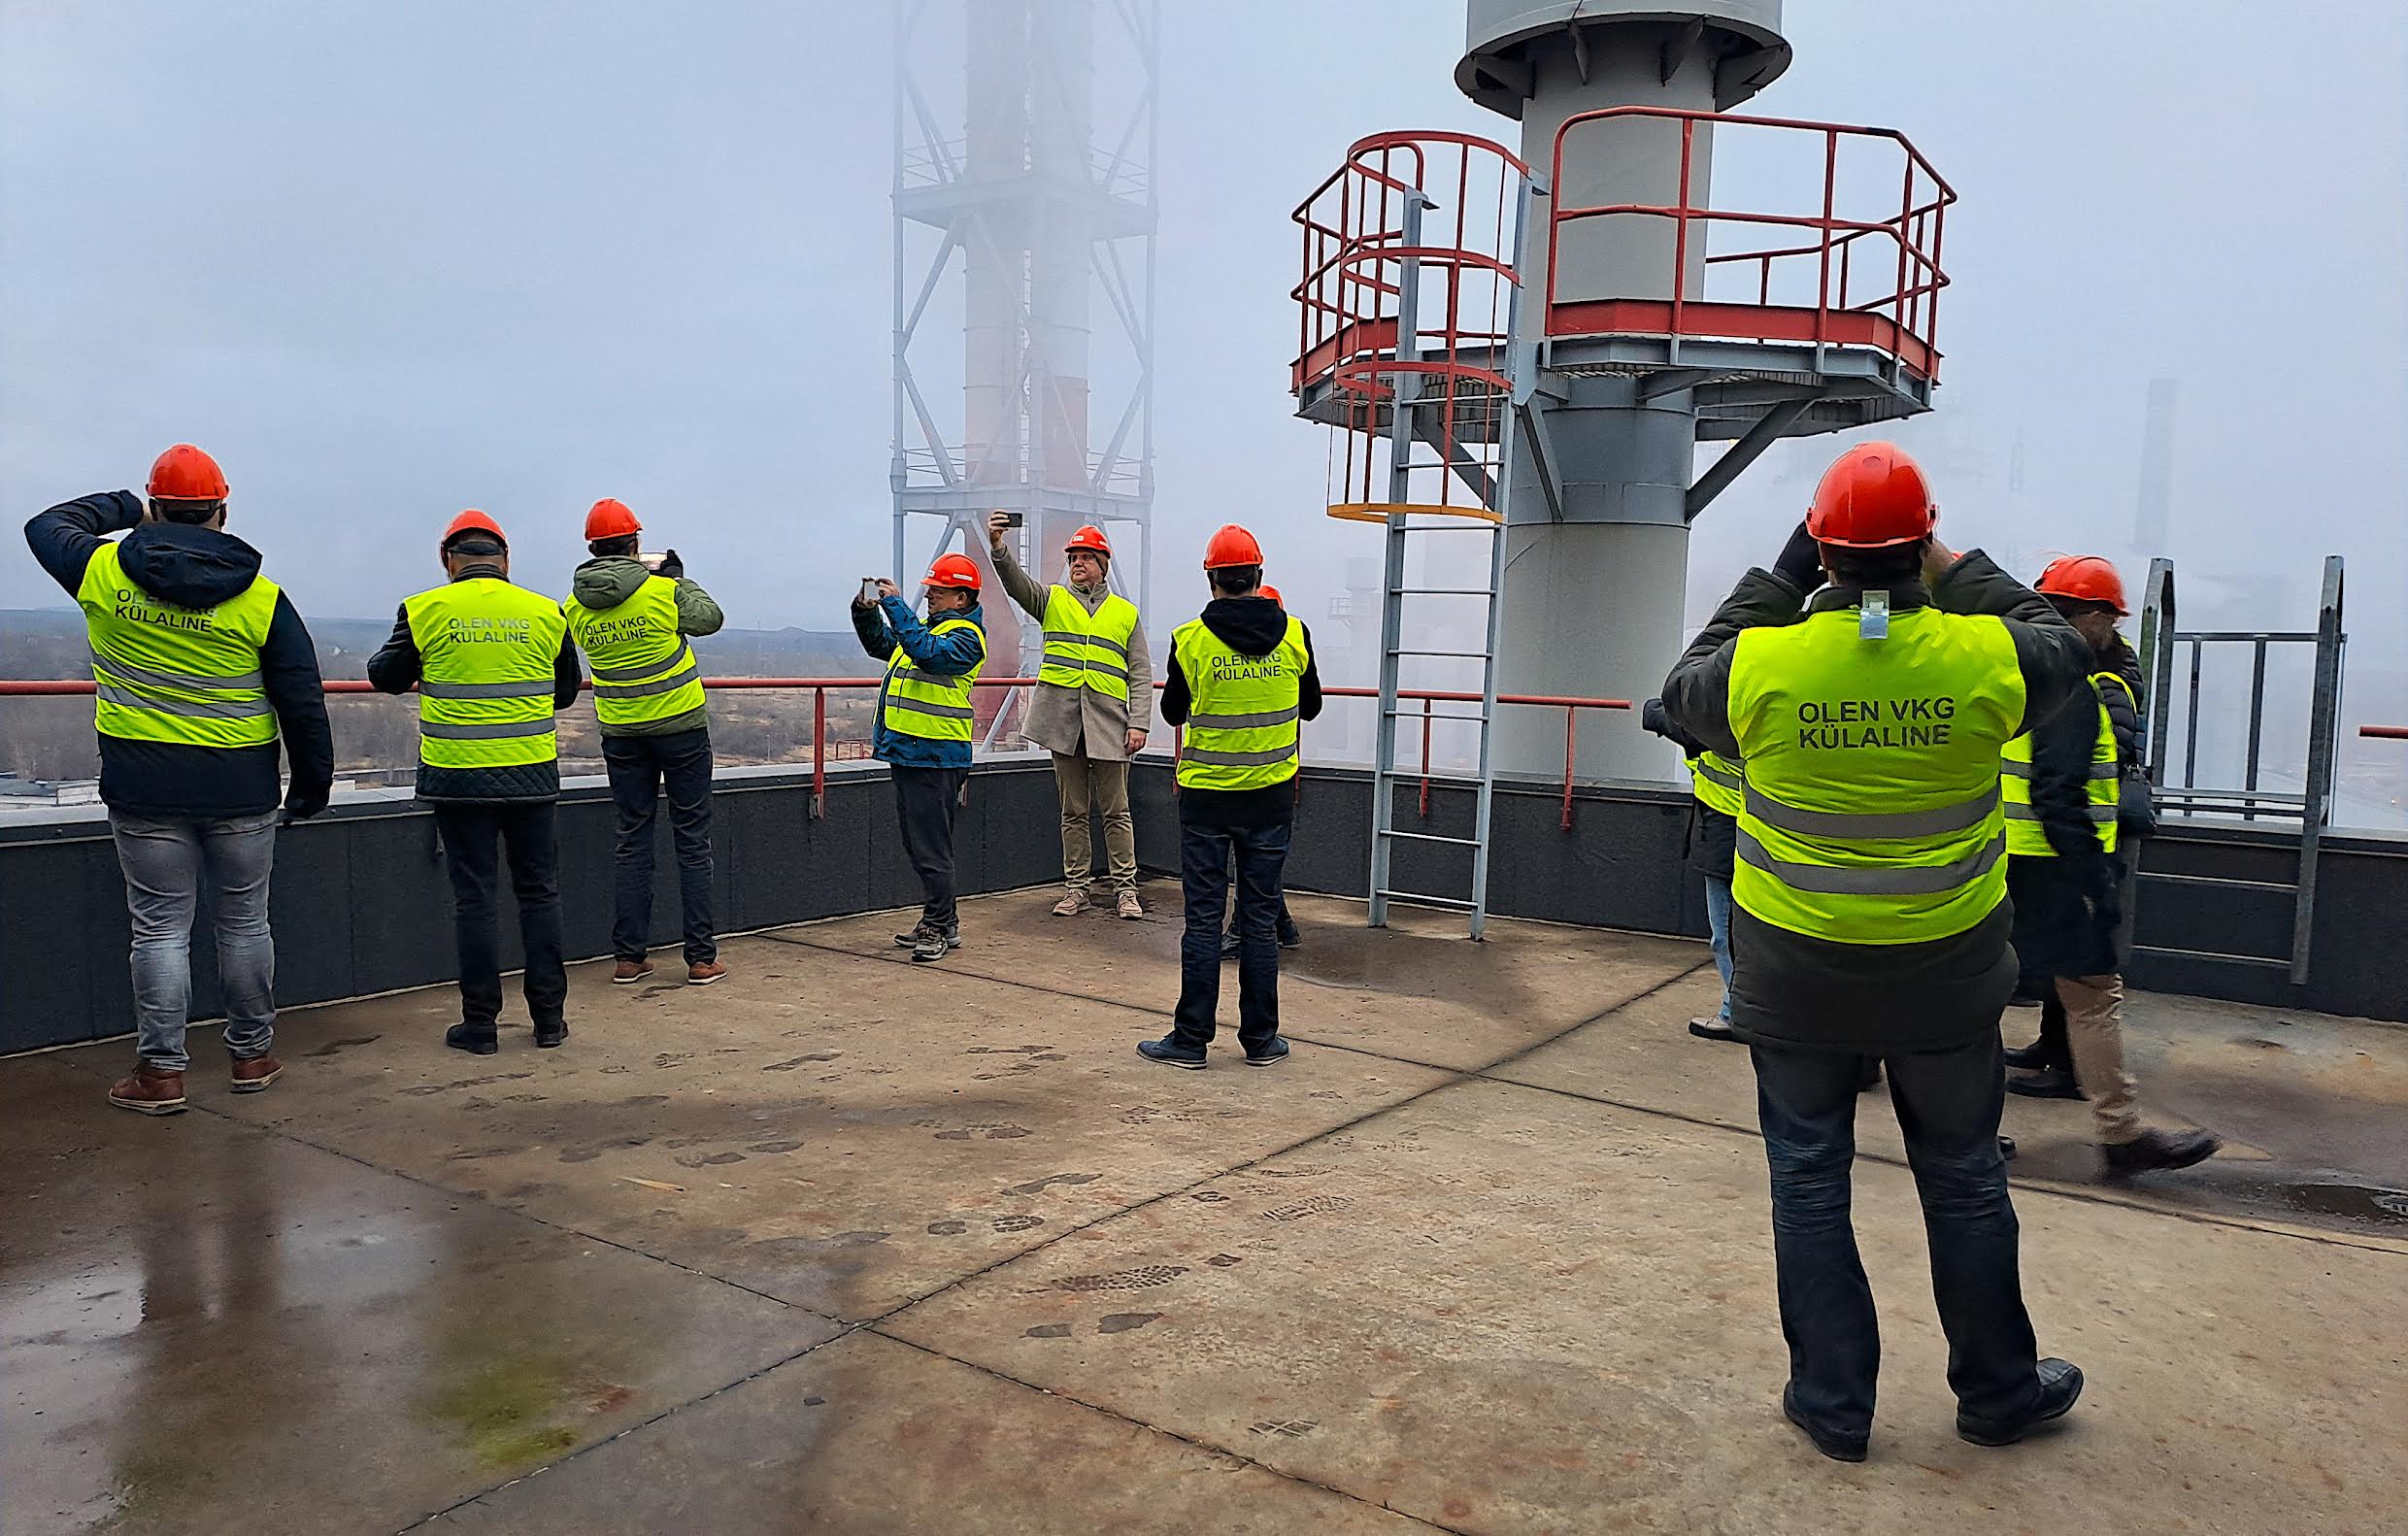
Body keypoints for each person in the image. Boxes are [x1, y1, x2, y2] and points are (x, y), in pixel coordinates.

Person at [1661, 441, 2093, 1463]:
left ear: (1820, 548)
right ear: (1921, 545)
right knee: (1963, 1178)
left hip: (1796, 978)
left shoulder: (1761, 663)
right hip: (1945, 977)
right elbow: (2061, 641)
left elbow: (1679, 691)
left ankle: (1832, 1403)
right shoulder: (1983, 658)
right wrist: (1952, 563)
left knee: (1808, 1181)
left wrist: (1777, 581)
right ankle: (1997, 1390)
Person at [24, 445, 333, 1114]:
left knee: (160, 929)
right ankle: (252, 1056)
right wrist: (312, 786)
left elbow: (46, 525)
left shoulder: (102, 572)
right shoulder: (262, 598)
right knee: (244, 923)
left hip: (145, 787)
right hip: (241, 788)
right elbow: (302, 700)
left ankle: (161, 1073)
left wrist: (129, 509)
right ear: (222, 510)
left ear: (156, 507)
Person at [2000, 555, 2219, 1176]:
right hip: (2054, 866)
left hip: (2009, 859)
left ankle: (1965, 1129)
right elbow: (2059, 792)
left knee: (1984, 992)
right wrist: (2093, 878)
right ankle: (2120, 1134)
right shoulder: (2073, 685)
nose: (2108, 629)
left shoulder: (2020, 677)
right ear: (2089, 618)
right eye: (2103, 617)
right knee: (2094, 995)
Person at [370, 511, 582, 1054]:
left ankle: (481, 1026)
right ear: (505, 559)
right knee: (539, 895)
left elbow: (385, 676)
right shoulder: (546, 611)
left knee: (475, 901)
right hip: (531, 775)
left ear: (448, 559)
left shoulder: (424, 609)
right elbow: (564, 692)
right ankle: (550, 1021)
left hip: (458, 778)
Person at [1142, 526, 1321, 1069]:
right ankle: (1262, 1041)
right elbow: (1311, 707)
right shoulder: (1295, 635)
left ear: (1212, 579)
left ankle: (1191, 1041)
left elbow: (1173, 712)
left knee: (1203, 921)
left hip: (1207, 804)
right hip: (1270, 801)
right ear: (1258, 576)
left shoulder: (1190, 639)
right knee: (1259, 921)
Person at [563, 497, 727, 987]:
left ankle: (629, 958)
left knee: (632, 841)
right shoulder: (662, 592)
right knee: (692, 841)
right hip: (681, 729)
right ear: (635, 543)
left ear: (592, 549)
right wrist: (678, 579)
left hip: (622, 735)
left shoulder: (574, 606)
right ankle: (701, 959)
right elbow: (710, 619)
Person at [986, 510, 1153, 919]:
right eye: (1073, 557)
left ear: (1102, 565)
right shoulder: (1053, 600)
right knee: (1073, 812)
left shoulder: (1125, 613)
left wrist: (1139, 723)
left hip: (1109, 724)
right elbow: (1017, 585)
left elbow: (1140, 672)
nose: (1078, 563)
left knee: (1117, 812)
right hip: (1063, 724)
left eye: (1086, 557)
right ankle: (1076, 889)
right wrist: (998, 547)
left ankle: (1125, 890)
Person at [853, 552, 989, 962]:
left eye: (938, 591)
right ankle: (943, 920)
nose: (929, 596)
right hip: (911, 752)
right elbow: (882, 644)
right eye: (930, 590)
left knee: (931, 847)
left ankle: (938, 925)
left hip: (936, 755)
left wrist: (896, 605)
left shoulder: (966, 638)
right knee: (919, 844)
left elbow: (927, 653)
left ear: (962, 599)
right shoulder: (924, 630)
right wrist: (865, 611)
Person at [1641, 696, 1741, 1041]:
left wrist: (1668, 704)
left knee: (1724, 935)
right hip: (1756, 832)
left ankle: (1734, 1013)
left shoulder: (1709, 725)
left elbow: (1658, 716)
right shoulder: (1755, 718)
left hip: (1723, 833)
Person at [1221, 583, 1302, 960]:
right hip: (1276, 776)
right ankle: (1282, 925)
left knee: (1250, 861)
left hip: (1239, 778)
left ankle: (1244, 929)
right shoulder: (1288, 647)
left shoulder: (1224, 646)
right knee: (1261, 860)